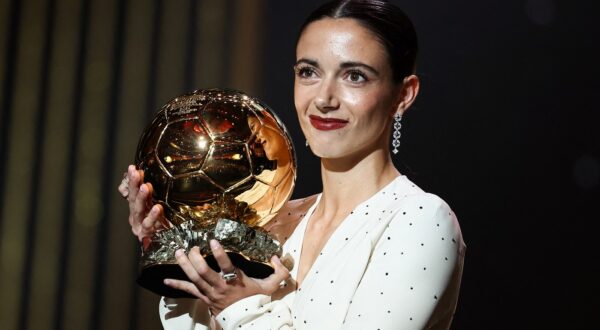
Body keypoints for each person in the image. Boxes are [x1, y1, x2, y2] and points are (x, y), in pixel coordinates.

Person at [118, 0, 466, 329]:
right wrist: (173, 246)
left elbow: (237, 315)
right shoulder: (275, 221)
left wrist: (239, 308)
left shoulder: (420, 219)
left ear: (403, 95)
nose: (324, 98)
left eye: (355, 76)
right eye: (309, 72)